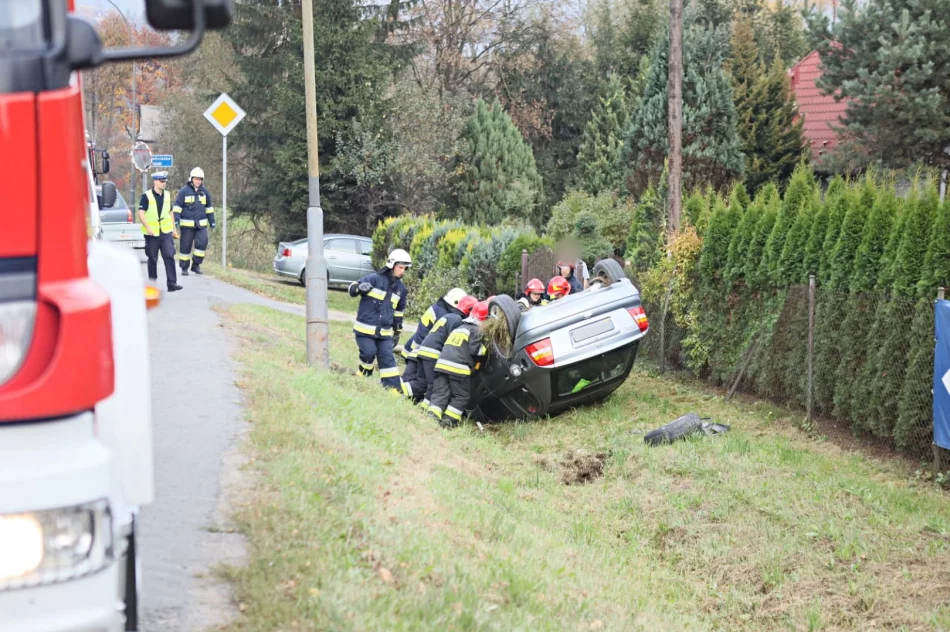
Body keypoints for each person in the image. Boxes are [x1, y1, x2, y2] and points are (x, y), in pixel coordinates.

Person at [349, 248, 410, 391]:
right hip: (364, 330)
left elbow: (398, 312)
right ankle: (364, 373)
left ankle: (393, 389)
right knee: (369, 353)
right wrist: (359, 287)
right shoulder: (374, 279)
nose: (403, 271)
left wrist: (397, 331)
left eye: (405, 268)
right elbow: (351, 289)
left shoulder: (401, 289)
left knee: (388, 360)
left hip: (384, 334)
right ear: (392, 265)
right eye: (400, 267)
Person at [403, 295, 477, 406]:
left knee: (421, 383)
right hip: (432, 354)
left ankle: (396, 389)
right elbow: (452, 343)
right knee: (433, 386)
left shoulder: (449, 316)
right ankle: (425, 410)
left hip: (423, 351)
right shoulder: (457, 320)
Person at [428, 300, 490, 428]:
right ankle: (448, 421)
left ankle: (431, 418)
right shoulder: (477, 330)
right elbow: (475, 350)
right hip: (458, 367)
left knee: (440, 393)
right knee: (461, 396)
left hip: (441, 365)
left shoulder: (460, 328)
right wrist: (487, 348)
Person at [138, 171, 182, 292]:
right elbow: (141, 213)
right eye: (161, 181)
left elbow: (170, 212)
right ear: (155, 181)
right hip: (152, 233)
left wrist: (173, 229)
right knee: (152, 258)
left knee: (169, 255)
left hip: (166, 232)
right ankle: (152, 285)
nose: (164, 184)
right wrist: (148, 227)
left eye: (165, 181)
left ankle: (172, 283)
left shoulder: (167, 195)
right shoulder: (146, 196)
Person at [401, 287, 468, 363]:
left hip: (414, 347)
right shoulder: (444, 315)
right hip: (419, 352)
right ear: (456, 302)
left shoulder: (438, 308)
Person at [173, 167, 215, 276]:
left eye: (200, 179)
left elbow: (209, 208)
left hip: (201, 226)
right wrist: (176, 220)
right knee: (185, 246)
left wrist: (212, 221)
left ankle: (196, 265)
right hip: (187, 226)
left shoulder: (205, 192)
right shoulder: (183, 192)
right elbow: (177, 207)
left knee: (202, 244)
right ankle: (184, 267)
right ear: (191, 179)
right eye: (196, 179)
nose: (198, 181)